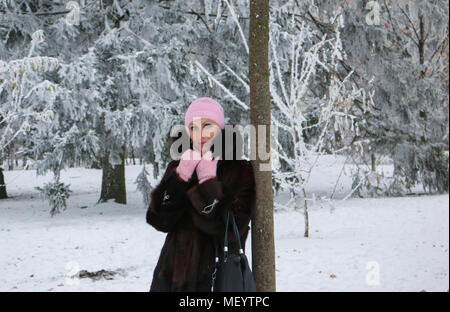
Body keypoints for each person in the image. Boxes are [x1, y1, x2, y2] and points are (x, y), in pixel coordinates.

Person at [146, 97, 256, 292]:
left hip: (216, 279)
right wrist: (180, 177)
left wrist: (208, 182)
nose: (199, 134)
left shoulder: (240, 169)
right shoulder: (179, 165)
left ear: (220, 128)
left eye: (207, 125)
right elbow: (158, 219)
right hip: (171, 279)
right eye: (193, 127)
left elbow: (232, 228)